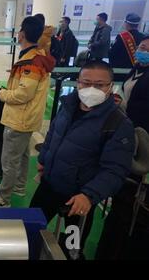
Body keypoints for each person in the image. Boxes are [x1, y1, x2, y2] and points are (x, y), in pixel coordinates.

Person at [30, 61, 135, 258]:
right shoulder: (68, 106)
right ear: (78, 83)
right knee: (31, 229)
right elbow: (53, 133)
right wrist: (44, 159)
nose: (91, 89)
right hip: (49, 185)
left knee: (72, 246)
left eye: (100, 84)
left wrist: (89, 195)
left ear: (110, 87)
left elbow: (115, 169)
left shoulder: (118, 123)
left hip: (78, 199)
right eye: (86, 83)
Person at [0, 16, 56, 208]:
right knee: (23, 154)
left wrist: (2, 94)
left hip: (20, 118)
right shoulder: (37, 55)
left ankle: (3, 200)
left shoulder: (31, 62)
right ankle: (18, 187)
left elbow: (23, 94)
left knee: (9, 161)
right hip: (28, 118)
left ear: (22, 34)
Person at [96, 37, 149, 260]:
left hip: (141, 137)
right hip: (126, 131)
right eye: (140, 47)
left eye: (146, 49)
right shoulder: (135, 71)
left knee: (130, 189)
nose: (140, 51)